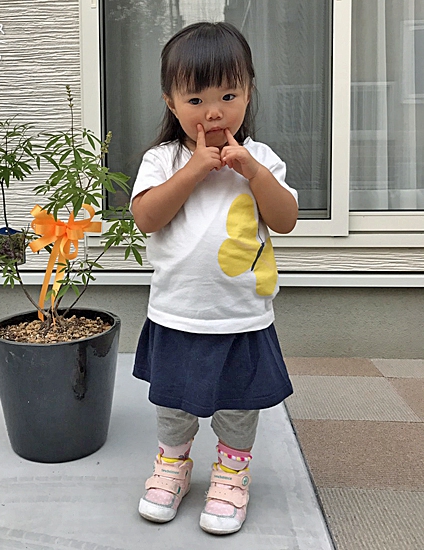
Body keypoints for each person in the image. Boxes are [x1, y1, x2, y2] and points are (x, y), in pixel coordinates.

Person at [129, 21, 299, 536]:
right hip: (178, 312)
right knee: (174, 404)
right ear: (171, 102)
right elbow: (146, 218)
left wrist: (251, 171)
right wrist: (195, 170)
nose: (214, 111)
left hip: (240, 316)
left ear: (248, 93)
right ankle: (173, 466)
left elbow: (285, 218)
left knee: (237, 407)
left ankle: (230, 473)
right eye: (196, 98)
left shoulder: (261, 158)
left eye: (229, 94)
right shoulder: (163, 159)